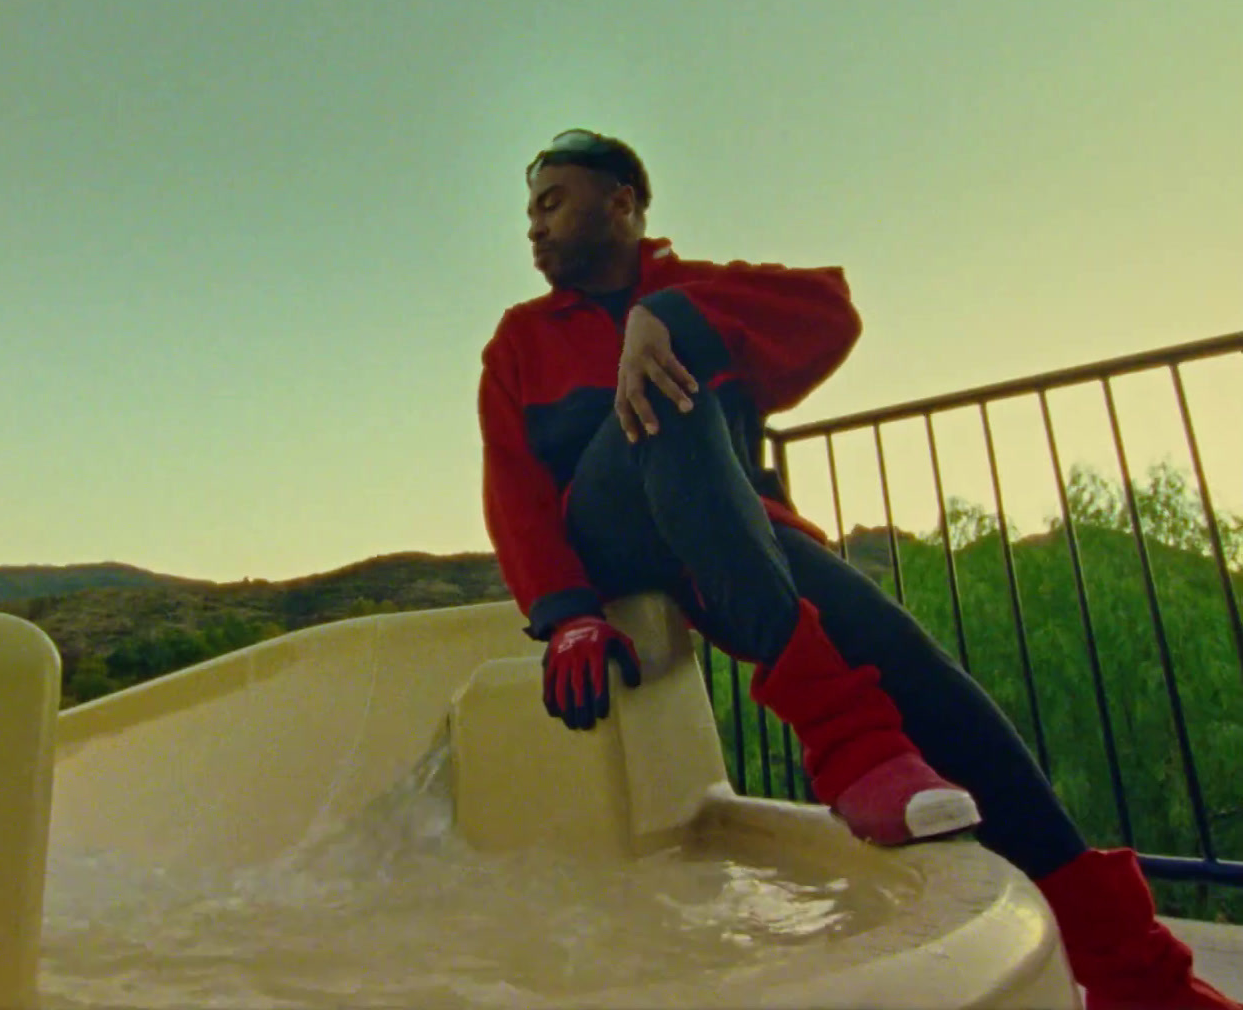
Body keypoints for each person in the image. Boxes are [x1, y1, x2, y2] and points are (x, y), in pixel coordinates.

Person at [476, 127, 1240, 1010]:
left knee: (930, 684)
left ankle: (1138, 976)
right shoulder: (518, 343)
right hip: (615, 531)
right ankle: (843, 736)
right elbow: (514, 488)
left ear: (622, 203)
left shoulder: (699, 291)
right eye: (528, 211)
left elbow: (829, 311)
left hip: (738, 546)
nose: (532, 228)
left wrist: (668, 315)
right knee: (656, 383)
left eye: (551, 203)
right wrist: (567, 610)